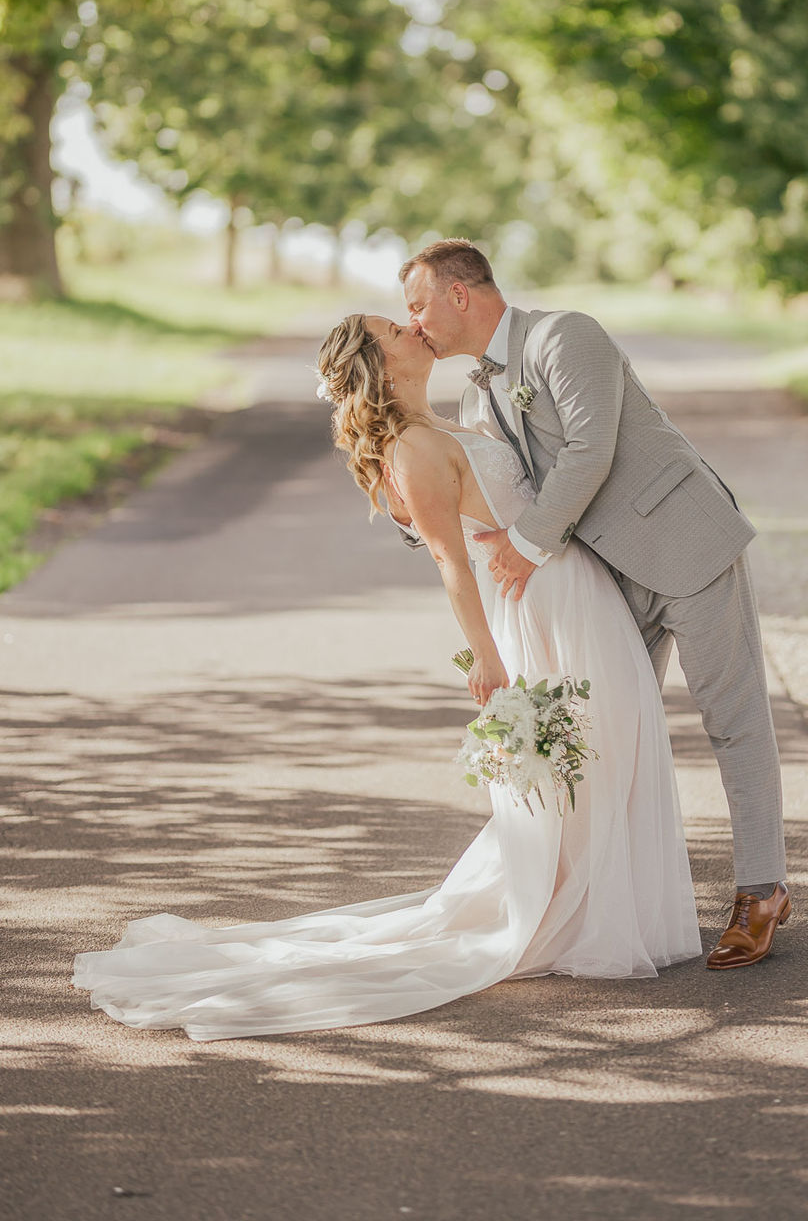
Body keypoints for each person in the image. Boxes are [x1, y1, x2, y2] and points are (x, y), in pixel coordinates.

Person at [71, 311, 701, 1041]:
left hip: (576, 598)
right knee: (578, 765)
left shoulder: (459, 419)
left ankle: (599, 909)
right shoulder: (409, 447)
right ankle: (572, 915)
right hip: (537, 614)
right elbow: (448, 561)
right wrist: (488, 658)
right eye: (395, 326)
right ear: (379, 358)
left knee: (614, 752)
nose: (413, 325)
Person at [399, 240, 790, 971]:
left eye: (418, 304)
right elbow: (496, 483)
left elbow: (589, 448)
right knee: (606, 732)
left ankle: (760, 893)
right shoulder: (475, 392)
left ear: (459, 294)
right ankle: (598, 896)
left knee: (732, 721)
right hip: (606, 580)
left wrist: (527, 544)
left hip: (684, 544)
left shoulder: (563, 334)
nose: (414, 322)